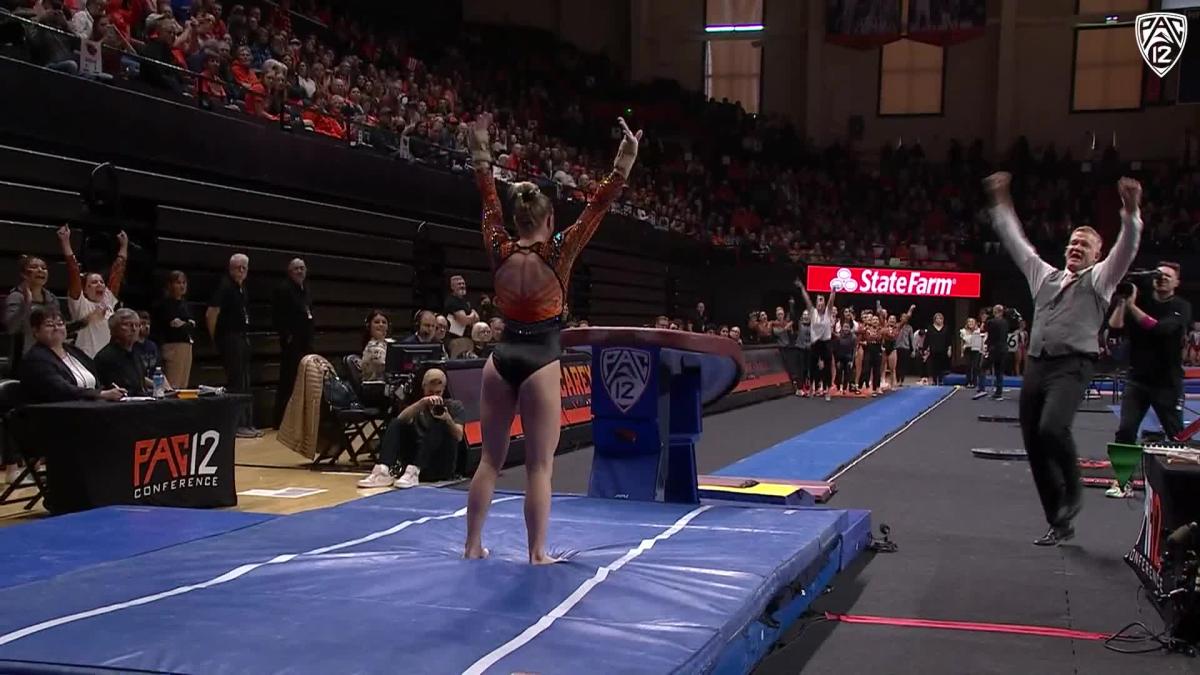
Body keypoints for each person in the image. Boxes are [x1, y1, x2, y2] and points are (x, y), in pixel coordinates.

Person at [463, 113, 640, 564]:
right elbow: (597, 206)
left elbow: (487, 197)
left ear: (519, 219)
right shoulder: (559, 249)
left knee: (490, 460)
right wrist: (624, 160)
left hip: (499, 359)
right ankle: (537, 552)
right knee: (540, 466)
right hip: (541, 357)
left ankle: (471, 545)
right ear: (549, 219)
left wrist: (480, 148)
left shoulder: (498, 245)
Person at [985, 172, 1142, 546]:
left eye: (1084, 246)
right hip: (1037, 365)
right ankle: (1059, 520)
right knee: (1034, 445)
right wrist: (1001, 203)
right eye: (1073, 243)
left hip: (1072, 366)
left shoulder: (1101, 279)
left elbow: (1127, 247)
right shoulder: (1044, 275)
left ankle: (1074, 489)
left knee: (1053, 428)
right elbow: (1016, 242)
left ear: (1096, 255)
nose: (1076, 248)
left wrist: (1131, 212)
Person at [1106, 263, 1192, 496]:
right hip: (1138, 379)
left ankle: (1183, 487)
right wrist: (1124, 301)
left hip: (1167, 382)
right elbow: (1115, 326)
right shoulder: (1140, 302)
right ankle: (1123, 482)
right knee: (1125, 430)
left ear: (1176, 283)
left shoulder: (1180, 307)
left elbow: (1159, 330)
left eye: (1167, 276)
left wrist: (1132, 306)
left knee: (1175, 435)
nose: (1161, 279)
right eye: (1158, 275)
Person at [357, 368, 464, 489]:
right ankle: (383, 470)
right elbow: (399, 420)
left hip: (438, 465)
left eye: (438, 392)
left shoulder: (454, 406)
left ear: (443, 390)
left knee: (439, 424)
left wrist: (447, 419)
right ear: (423, 387)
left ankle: (415, 470)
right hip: (412, 460)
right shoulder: (417, 405)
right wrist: (421, 404)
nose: (434, 396)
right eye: (430, 392)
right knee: (396, 423)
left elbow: (459, 436)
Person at [17, 306, 125, 404]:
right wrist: (101, 394)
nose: (56, 328)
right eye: (49, 325)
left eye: (60, 324)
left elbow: (96, 378)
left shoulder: (74, 351)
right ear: (35, 331)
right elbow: (60, 389)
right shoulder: (36, 359)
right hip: (55, 414)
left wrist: (109, 390)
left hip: (89, 408)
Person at [207, 253, 260, 438]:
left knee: (245, 380)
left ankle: (247, 422)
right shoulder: (225, 286)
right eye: (238, 267)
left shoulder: (242, 288)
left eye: (245, 268)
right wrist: (216, 338)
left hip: (242, 337)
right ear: (231, 268)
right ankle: (236, 425)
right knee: (236, 382)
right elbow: (212, 313)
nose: (242, 271)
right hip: (229, 338)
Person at [58, 225, 129, 359]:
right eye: (93, 283)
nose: (100, 285)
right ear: (85, 289)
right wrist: (65, 242)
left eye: (101, 282)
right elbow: (73, 271)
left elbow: (117, 272)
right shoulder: (80, 303)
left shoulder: (108, 299)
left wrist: (124, 246)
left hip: (106, 359)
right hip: (85, 357)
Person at [272, 258, 314, 428]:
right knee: (288, 380)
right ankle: (280, 420)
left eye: (302, 268)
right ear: (290, 272)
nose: (300, 271)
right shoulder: (283, 289)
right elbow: (277, 316)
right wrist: (286, 336)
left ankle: (299, 419)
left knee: (305, 380)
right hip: (292, 343)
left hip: (306, 341)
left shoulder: (305, 290)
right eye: (296, 268)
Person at [154, 270, 195, 389]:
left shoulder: (185, 304)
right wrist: (186, 324)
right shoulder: (165, 304)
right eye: (178, 283)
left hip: (187, 344)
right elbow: (174, 323)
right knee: (173, 384)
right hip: (173, 346)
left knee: (184, 384)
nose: (182, 286)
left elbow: (191, 324)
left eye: (184, 282)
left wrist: (184, 324)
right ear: (170, 285)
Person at [94, 309, 150, 396]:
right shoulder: (106, 357)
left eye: (137, 325)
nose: (134, 329)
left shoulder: (136, 353)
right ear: (113, 329)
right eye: (128, 325)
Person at [973, 305, 1010, 401]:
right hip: (1003, 349)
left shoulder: (991, 322)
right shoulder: (1005, 322)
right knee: (999, 372)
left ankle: (982, 389)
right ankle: (999, 393)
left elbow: (982, 329)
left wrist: (985, 320)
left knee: (982, 367)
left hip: (993, 349)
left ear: (994, 312)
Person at [360, 309, 391, 382]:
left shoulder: (389, 344)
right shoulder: (371, 347)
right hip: (376, 387)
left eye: (384, 322)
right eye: (377, 322)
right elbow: (383, 364)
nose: (381, 324)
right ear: (369, 326)